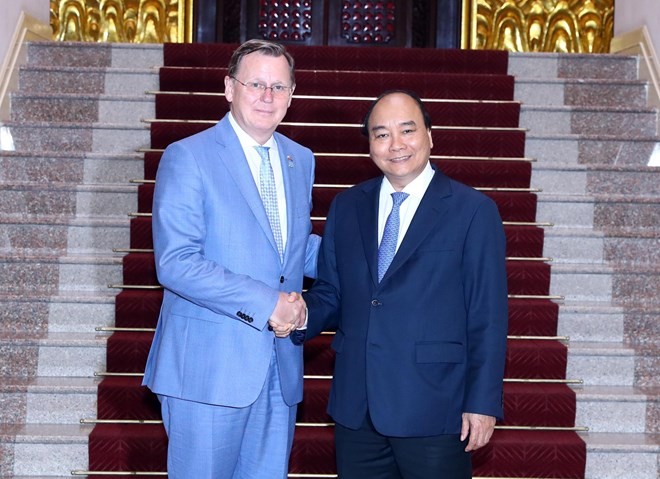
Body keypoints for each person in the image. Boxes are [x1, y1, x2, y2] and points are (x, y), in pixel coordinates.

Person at [300, 90, 509, 478]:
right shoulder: (347, 206)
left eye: (407, 130)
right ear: (370, 146)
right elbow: (332, 292)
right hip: (357, 407)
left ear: (430, 135)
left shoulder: (473, 211)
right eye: (381, 134)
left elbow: (488, 316)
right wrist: (296, 316)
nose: (395, 144)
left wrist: (482, 403)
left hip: (435, 407)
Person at [142, 39, 319, 479]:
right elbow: (177, 262)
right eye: (255, 83)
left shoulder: (301, 160)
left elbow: (292, 250)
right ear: (228, 87)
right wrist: (269, 304)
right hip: (207, 370)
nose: (267, 96)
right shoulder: (189, 156)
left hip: (278, 371)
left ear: (292, 95)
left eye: (279, 87)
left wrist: (375, 256)